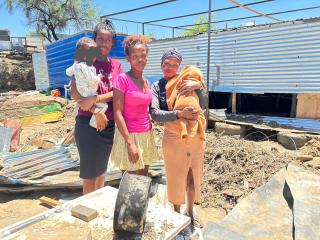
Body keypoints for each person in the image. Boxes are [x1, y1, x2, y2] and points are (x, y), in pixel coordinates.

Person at [150, 48, 208, 228]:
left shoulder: (189, 81)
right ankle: (176, 213)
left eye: (174, 65)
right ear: (161, 64)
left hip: (195, 135)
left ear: (179, 67)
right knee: (175, 178)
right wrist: (179, 114)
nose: (170, 67)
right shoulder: (157, 86)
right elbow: (155, 114)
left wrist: (198, 86)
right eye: (167, 63)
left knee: (193, 175)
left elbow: (205, 103)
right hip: (174, 137)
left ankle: (190, 211)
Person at [70, 20, 122, 195]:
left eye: (108, 40)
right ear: (94, 39)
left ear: (112, 43)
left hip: (108, 124)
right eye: (100, 39)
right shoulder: (84, 58)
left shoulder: (115, 64)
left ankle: (97, 206)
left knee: (101, 171)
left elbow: (118, 92)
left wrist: (95, 98)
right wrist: (95, 109)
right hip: (87, 123)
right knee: (89, 174)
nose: (104, 44)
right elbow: (75, 93)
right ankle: (88, 209)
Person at [110, 35, 159, 176]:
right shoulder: (122, 80)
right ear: (128, 58)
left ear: (147, 57)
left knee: (142, 179)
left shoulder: (146, 82)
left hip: (146, 134)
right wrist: (130, 143)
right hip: (129, 136)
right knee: (129, 182)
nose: (139, 60)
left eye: (143, 55)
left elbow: (145, 109)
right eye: (135, 56)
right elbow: (117, 113)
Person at [66, 37, 108, 128]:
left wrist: (75, 70)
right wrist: (99, 77)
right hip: (88, 93)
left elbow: (68, 72)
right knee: (104, 106)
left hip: (81, 92)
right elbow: (92, 80)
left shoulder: (76, 65)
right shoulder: (86, 66)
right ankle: (94, 122)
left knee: (82, 103)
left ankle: (79, 107)